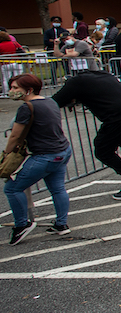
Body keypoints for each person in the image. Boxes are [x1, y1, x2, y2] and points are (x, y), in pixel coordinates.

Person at [52, 68, 121, 201]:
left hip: (119, 116)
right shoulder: (102, 75)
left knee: (102, 149)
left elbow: (54, 102)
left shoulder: (75, 82)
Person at [3, 74, 73, 244]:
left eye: (15, 88)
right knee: (57, 188)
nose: (11, 91)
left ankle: (21, 225)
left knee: (12, 189)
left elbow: (15, 136)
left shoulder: (26, 108)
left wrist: (6, 155)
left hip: (46, 155)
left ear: (29, 90)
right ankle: (61, 224)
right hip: (62, 150)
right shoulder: (50, 101)